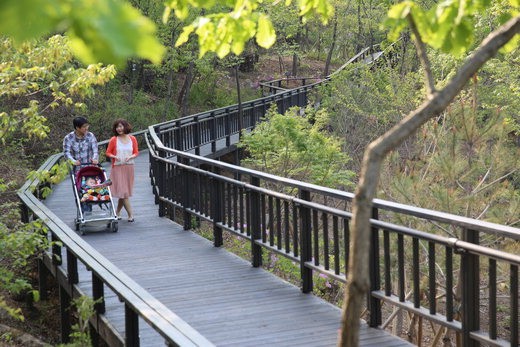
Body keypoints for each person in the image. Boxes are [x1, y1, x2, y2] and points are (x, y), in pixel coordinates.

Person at [105, 119, 138, 222]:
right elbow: (108, 152)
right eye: (117, 127)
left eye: (121, 126)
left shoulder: (132, 138)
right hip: (118, 167)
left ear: (125, 126)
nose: (119, 129)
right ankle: (131, 215)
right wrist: (114, 156)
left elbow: (136, 152)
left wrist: (131, 156)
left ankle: (117, 212)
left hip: (129, 167)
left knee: (123, 193)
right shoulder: (114, 139)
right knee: (124, 192)